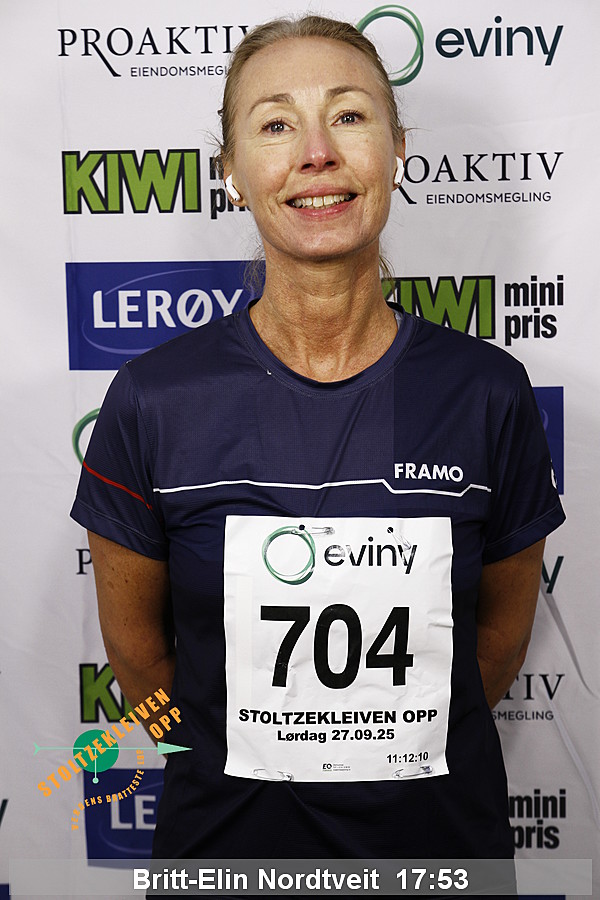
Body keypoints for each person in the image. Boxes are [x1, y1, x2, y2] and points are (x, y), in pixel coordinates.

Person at [71, 14, 565, 866]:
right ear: (230, 173)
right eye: (275, 124)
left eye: (348, 115)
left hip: (439, 857)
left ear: (396, 150)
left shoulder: (488, 392)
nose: (317, 153)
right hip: (226, 856)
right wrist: (238, 768)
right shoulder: (154, 399)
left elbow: (497, 644)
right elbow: (139, 658)